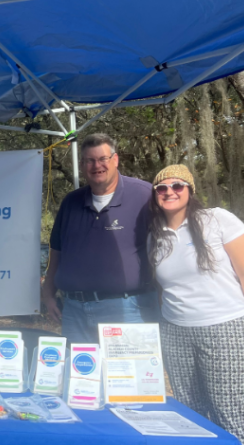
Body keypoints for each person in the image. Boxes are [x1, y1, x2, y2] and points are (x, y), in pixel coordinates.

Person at [149, 165, 244, 445]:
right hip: (175, 332)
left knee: (228, 413)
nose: (169, 192)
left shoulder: (218, 220)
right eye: (161, 188)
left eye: (177, 186)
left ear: (190, 190)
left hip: (226, 327)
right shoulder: (155, 236)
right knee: (190, 414)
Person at [41, 133, 159, 344]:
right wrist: (48, 294)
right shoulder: (71, 202)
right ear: (83, 165)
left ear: (115, 160)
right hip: (75, 311)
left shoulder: (144, 195)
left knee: (126, 377)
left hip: (128, 309)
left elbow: (168, 245)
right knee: (82, 376)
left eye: (103, 159)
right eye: (90, 160)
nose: (97, 166)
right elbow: (57, 251)